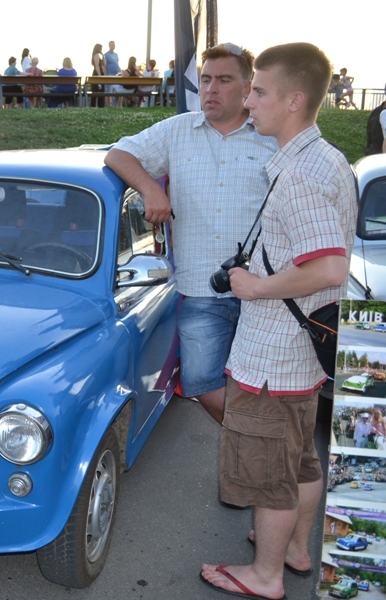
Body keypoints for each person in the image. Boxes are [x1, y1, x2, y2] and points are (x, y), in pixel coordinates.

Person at [200, 42, 358, 600]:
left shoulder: (301, 177)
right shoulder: (324, 158)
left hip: (273, 357)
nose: (248, 98)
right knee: (301, 461)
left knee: (271, 474)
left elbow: (329, 265)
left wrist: (256, 286)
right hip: (301, 354)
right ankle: (292, 550)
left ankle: (265, 576)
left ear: (294, 100)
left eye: (258, 90)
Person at [104, 43, 277, 425]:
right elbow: (117, 155)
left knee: (265, 385)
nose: (211, 89)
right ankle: (253, 446)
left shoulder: (270, 135)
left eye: (224, 80)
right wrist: (151, 189)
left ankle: (253, 456)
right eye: (206, 79)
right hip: (201, 289)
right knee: (201, 381)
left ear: (248, 86)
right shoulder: (178, 130)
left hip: (265, 290)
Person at [104, 40, 120, 107]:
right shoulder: (106, 55)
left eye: (114, 45)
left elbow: (117, 63)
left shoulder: (116, 55)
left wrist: (120, 71)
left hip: (117, 74)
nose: (113, 46)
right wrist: (105, 75)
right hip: (110, 74)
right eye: (111, 45)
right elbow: (104, 65)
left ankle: (115, 105)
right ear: (109, 46)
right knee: (109, 91)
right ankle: (109, 105)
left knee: (116, 90)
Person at [90, 43, 106, 108]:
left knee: (102, 91)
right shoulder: (96, 55)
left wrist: (103, 56)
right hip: (97, 73)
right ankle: (94, 105)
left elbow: (104, 64)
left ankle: (101, 105)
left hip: (101, 72)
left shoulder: (100, 56)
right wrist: (99, 75)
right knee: (96, 90)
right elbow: (97, 66)